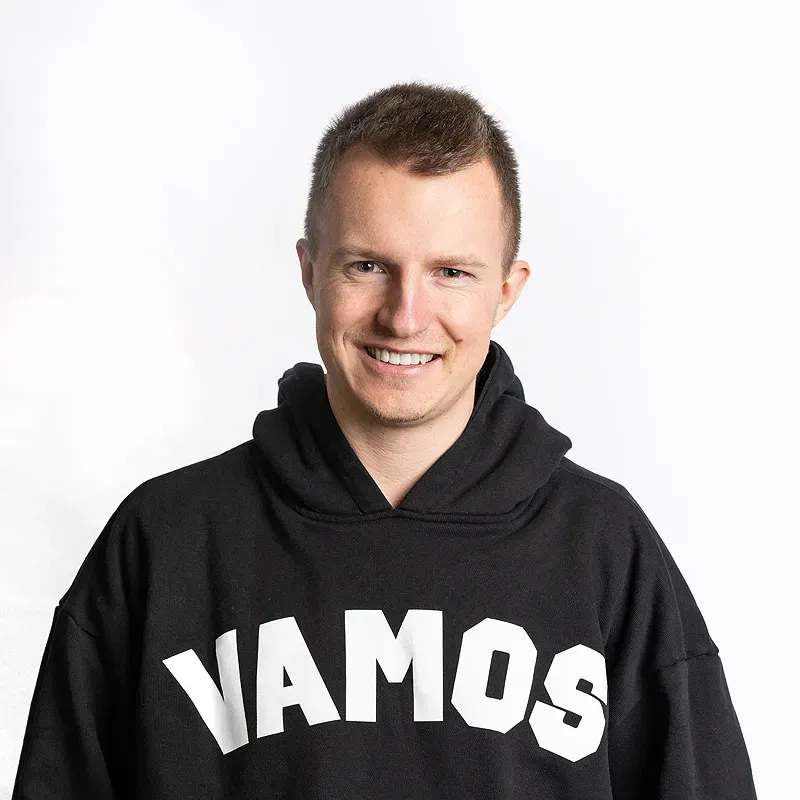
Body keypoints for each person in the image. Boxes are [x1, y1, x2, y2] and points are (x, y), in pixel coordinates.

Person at [12, 81, 758, 799]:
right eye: (367, 266)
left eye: (451, 272)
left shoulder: (604, 547)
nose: (405, 316)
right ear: (310, 272)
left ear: (507, 289)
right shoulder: (166, 539)